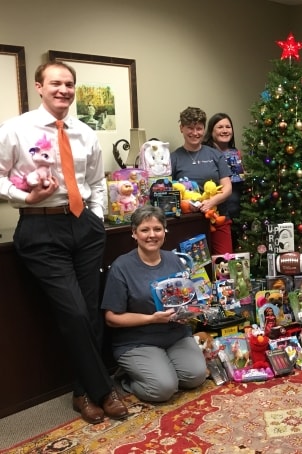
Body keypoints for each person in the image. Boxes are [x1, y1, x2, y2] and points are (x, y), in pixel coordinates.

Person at [0, 61, 127, 424]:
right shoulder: (15, 130)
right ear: (39, 87)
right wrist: (25, 198)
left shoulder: (85, 132)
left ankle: (82, 392)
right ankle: (103, 390)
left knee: (90, 312)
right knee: (72, 313)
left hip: (84, 226)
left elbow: (97, 181)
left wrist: (97, 217)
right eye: (56, 83)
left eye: (69, 84)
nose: (64, 90)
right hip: (40, 229)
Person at [101, 206, 208, 402]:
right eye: (144, 230)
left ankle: (162, 368)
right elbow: (111, 318)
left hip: (175, 334)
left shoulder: (174, 259)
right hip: (136, 341)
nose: (152, 235)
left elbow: (183, 298)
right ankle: (126, 379)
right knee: (163, 389)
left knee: (197, 376)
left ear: (164, 231)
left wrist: (194, 308)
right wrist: (151, 319)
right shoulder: (121, 267)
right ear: (134, 233)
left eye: (157, 229)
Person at [171, 107, 233, 255]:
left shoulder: (215, 155)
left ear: (204, 129)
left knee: (224, 263)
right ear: (181, 128)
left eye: (199, 128)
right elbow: (169, 192)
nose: (195, 133)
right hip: (188, 223)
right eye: (190, 128)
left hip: (218, 219)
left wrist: (211, 202)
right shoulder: (174, 158)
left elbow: (227, 187)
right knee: (195, 269)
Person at [203, 113, 243, 252]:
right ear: (211, 131)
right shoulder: (206, 153)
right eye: (220, 127)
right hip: (215, 213)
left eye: (228, 126)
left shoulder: (236, 153)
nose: (225, 130)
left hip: (237, 212)